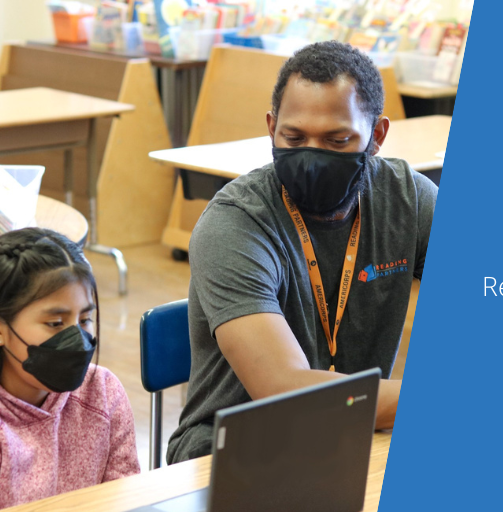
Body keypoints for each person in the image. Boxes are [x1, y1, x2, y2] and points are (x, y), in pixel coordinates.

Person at [168, 41, 437, 463]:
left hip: (351, 432)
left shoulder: (407, 199)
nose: (312, 157)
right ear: (272, 127)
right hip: (234, 451)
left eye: (337, 140)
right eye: (293, 137)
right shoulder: (236, 223)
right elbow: (284, 389)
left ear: (377, 136)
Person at [0, 228, 139, 511]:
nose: (76, 338)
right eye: (55, 323)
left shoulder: (103, 393)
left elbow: (128, 503)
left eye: (85, 319)